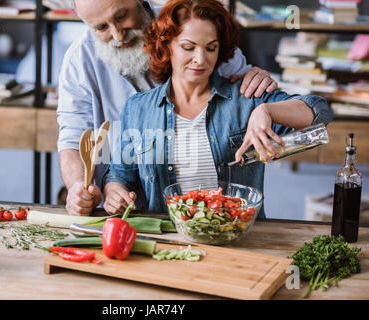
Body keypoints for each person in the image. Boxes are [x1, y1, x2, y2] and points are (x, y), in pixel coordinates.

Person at [102, 0, 333, 218]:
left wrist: (267, 110)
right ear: (166, 46)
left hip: (237, 237)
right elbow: (120, 176)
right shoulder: (137, 109)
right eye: (188, 47)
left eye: (210, 48)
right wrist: (114, 192)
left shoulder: (245, 98)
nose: (200, 59)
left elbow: (320, 111)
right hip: (169, 242)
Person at [58, 0, 279, 216]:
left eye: (121, 16)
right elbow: (73, 138)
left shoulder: (189, 24)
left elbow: (245, 87)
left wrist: (257, 82)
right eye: (101, 27)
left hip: (207, 203)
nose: (117, 35)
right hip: (123, 209)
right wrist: (79, 188)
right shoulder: (79, 59)